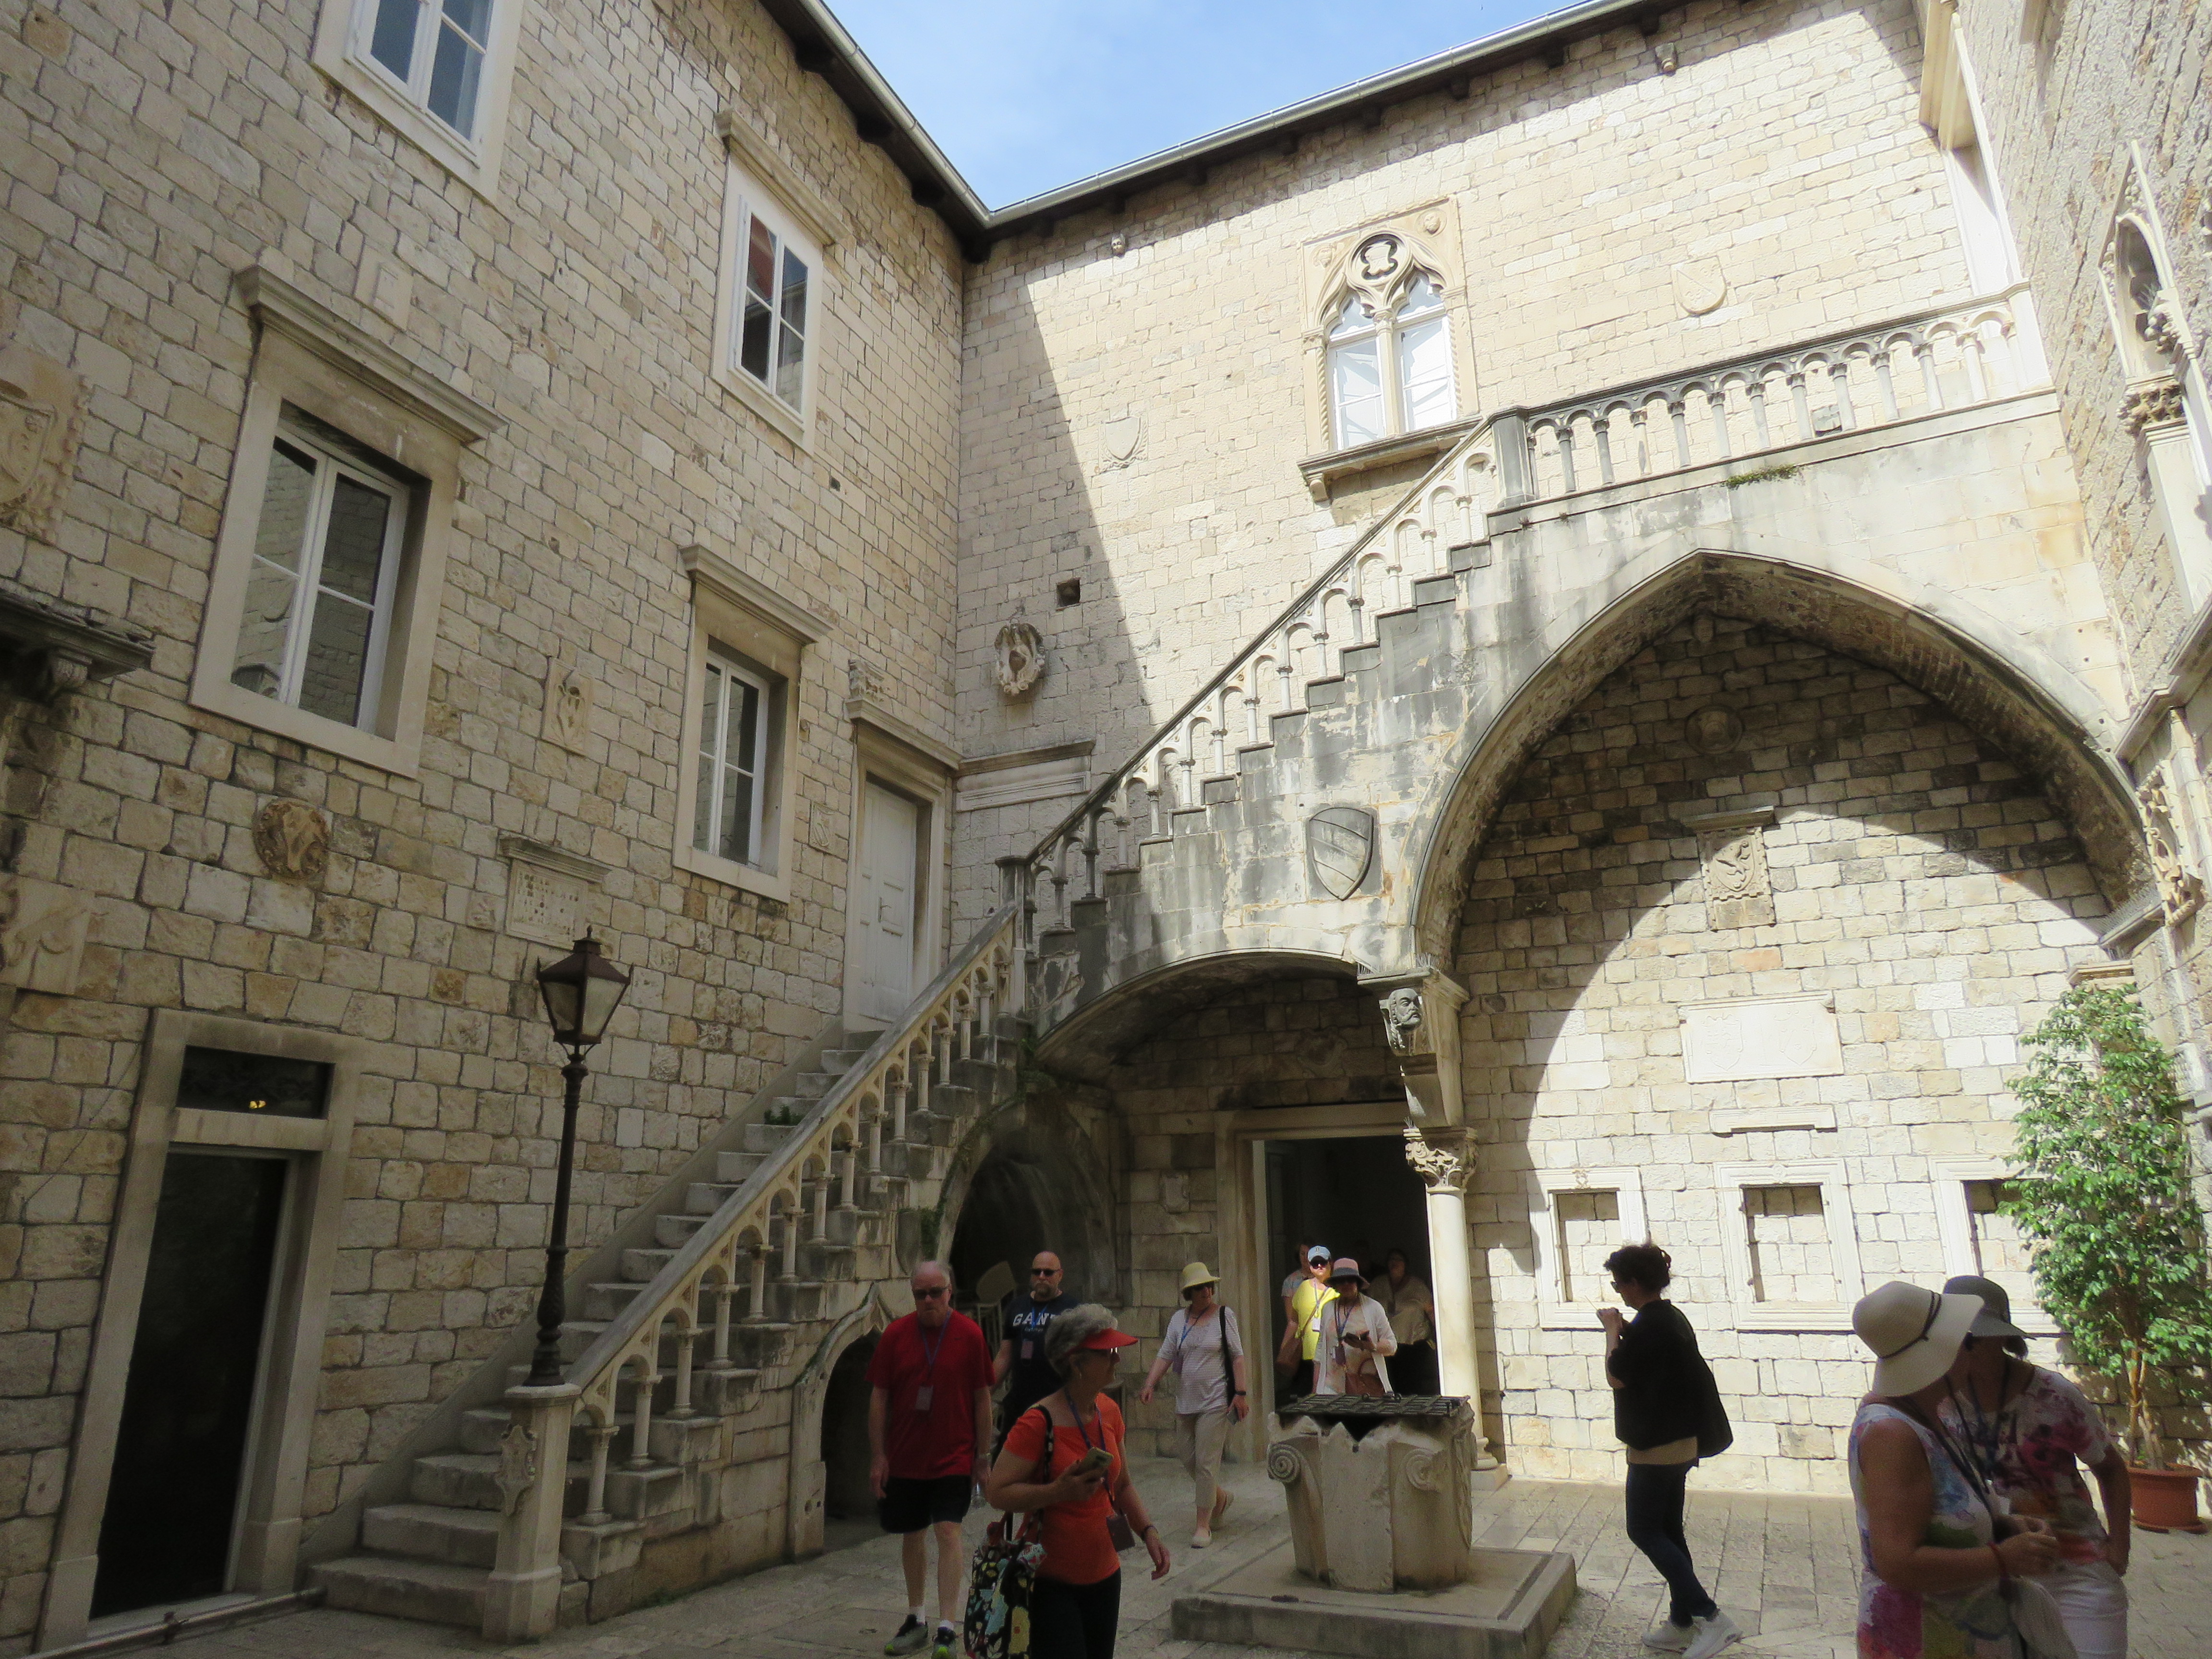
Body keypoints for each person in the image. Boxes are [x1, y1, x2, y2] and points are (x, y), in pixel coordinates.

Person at [1849, 1280, 2062, 1659]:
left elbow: (1937, 1520)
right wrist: (2004, 1558)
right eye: (1967, 1341)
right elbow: (1898, 1563)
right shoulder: (1892, 1433)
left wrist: (2001, 1527)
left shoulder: (1929, 1416)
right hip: (1925, 1640)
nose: (1974, 1351)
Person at [1935, 1274, 2131, 1659]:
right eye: (1954, 1335)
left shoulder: (2055, 1395)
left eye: (1973, 1337)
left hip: (2073, 1567)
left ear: (2003, 1339)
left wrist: (2119, 1549)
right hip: (1987, 1570)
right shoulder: (1940, 1398)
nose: (1961, 1347)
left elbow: (2110, 1469)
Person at [986, 1304, 1172, 1659]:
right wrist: (1058, 1491)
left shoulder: (1109, 1410)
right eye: (1107, 1352)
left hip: (1106, 1574)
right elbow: (997, 1492)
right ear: (1076, 1362)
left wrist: (1148, 1532)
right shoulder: (1037, 1422)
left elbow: (1123, 1485)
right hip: (1050, 1580)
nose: (1117, 1360)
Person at [1599, 1244, 1736, 1659]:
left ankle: (1711, 1618)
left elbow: (1617, 1376)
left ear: (1633, 1283)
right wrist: (1628, 1330)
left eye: (1618, 1284)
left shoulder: (1650, 1326)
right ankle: (1681, 1622)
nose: (1618, 1291)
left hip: (1657, 1447)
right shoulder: (1669, 1318)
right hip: (1681, 1441)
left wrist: (1611, 1331)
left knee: (1642, 1529)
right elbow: (1651, 1361)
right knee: (1670, 1531)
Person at [867, 1262, 995, 1659]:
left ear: (949, 1292)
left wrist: (983, 1456)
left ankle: (947, 1626)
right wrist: (879, 1456)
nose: (928, 1301)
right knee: (913, 1533)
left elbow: (982, 1399)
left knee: (948, 1531)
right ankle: (916, 1618)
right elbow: (879, 1396)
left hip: (954, 1455)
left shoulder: (970, 1335)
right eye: (920, 1294)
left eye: (935, 1292)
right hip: (906, 1456)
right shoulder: (895, 1335)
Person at [1138, 1262, 1251, 1547]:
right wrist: (1150, 1384)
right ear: (1190, 1292)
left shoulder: (1224, 1316)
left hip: (1216, 1401)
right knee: (1188, 1458)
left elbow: (1237, 1356)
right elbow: (1166, 1354)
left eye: (1209, 1286)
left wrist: (1241, 1393)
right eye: (1200, 1287)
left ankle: (1203, 1525)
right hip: (1186, 1401)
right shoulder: (1179, 1319)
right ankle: (1220, 1499)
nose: (1207, 1291)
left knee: (1206, 1464)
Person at [994, 1250, 1074, 1445]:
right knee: (1008, 1454)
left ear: (1060, 1275)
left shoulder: (1072, 1309)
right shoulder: (1017, 1306)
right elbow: (1005, 1355)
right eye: (1037, 1272)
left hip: (1056, 1401)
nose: (1042, 1277)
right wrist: (984, 1392)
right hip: (1020, 1401)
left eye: (1048, 1273)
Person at [1313, 1257, 1395, 1395]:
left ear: (1358, 1282)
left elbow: (1392, 1346)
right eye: (1341, 1280)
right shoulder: (1328, 1308)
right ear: (1336, 1284)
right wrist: (1316, 1389)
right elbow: (1321, 1349)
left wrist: (1371, 1346)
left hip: (1364, 1385)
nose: (1346, 1284)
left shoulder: (1373, 1308)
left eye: (1350, 1280)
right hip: (1332, 1385)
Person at [1276, 1244, 1336, 1396]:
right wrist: (1285, 1347)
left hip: (1331, 1358)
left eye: (1323, 1262)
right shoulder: (1303, 1288)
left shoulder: (1338, 1290)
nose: (1320, 1266)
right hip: (1306, 1356)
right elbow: (1294, 1322)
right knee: (1304, 1399)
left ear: (1331, 1263)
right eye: (1315, 1263)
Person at [1377, 1247, 1438, 1396]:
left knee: (1412, 1390)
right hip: (1386, 1348)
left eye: (1399, 1260)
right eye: (1392, 1259)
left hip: (1414, 1348)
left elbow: (1431, 1312)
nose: (1394, 1263)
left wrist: (1440, 1339)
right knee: (1391, 1390)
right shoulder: (1378, 1284)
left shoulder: (1418, 1286)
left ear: (1406, 1264)